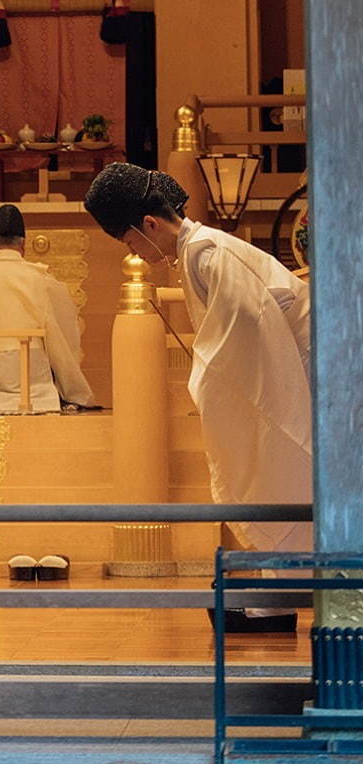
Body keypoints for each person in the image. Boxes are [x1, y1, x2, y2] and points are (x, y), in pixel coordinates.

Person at [83, 162, 311, 631]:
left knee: (279, 470)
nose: (135, 253)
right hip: (294, 364)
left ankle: (285, 600)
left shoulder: (207, 253)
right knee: (272, 474)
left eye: (129, 243)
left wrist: (207, 378)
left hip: (305, 367)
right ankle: (278, 599)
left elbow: (248, 332)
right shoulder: (196, 252)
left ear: (148, 225)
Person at [0, 204, 94, 414]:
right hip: (32, 366)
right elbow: (60, 333)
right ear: (23, 245)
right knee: (51, 355)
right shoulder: (39, 277)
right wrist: (73, 388)